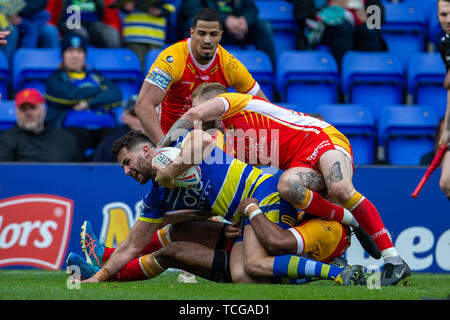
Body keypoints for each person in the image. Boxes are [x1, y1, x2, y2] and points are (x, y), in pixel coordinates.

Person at [157, 82, 411, 286]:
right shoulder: (232, 146)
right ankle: (351, 222)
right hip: (298, 163)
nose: (198, 120)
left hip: (321, 137)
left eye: (204, 109)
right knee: (287, 186)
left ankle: (394, 260)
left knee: (340, 189)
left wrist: (162, 149)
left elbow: (192, 114)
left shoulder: (235, 102)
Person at [78, 129, 362, 285]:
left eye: (127, 163)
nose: (127, 172)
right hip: (244, 215)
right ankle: (103, 267)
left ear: (146, 152)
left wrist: (171, 169)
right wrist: (99, 280)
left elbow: (204, 138)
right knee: (238, 274)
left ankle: (332, 270)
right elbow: (131, 245)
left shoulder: (178, 149)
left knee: (248, 269)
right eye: (122, 168)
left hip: (267, 195)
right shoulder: (157, 196)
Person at [135, 7, 269, 146]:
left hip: (208, 141)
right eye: (201, 33)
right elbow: (143, 106)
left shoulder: (230, 65)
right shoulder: (172, 59)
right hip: (167, 136)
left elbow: (264, 107)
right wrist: (164, 149)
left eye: (213, 34)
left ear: (221, 35)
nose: (207, 40)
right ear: (191, 33)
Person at [44, 32, 123, 158]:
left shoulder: (97, 76)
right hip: (73, 128)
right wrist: (98, 92)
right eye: (70, 51)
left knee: (118, 144)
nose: (75, 56)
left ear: (84, 56)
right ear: (63, 55)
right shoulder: (55, 79)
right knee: (73, 143)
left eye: (79, 51)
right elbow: (69, 96)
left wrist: (88, 103)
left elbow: (116, 95)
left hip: (105, 127)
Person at [177, 0, 276, 69]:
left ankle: (272, 84)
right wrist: (225, 19)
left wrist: (244, 20)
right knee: (194, 25)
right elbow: (191, 10)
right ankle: (192, 73)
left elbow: (252, 9)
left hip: (238, 32)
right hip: (210, 31)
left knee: (263, 26)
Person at [291, 0, 386, 68]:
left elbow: (379, 14)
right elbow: (301, 13)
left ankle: (371, 84)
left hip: (360, 30)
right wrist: (328, 10)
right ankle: (341, 88)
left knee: (369, 32)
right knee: (343, 29)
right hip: (326, 30)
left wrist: (368, 16)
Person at [0, 88, 83, 162]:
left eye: (33, 108)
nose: (28, 113)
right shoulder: (6, 140)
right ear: (17, 113)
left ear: (44, 111)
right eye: (23, 109)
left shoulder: (65, 138)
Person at [109, 0, 176, 70]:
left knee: (154, 66)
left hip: (154, 38)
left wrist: (160, 11)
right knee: (135, 65)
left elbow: (171, 8)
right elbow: (119, 6)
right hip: (134, 37)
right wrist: (126, 7)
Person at [92, 94, 144, 162]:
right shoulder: (110, 143)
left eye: (147, 113)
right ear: (123, 118)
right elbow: (97, 170)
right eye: (135, 114)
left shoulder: (160, 140)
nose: (142, 118)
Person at [436, 0, 450, 199]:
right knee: (446, 182)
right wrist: (446, 128)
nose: (448, 20)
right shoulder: (445, 43)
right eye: (443, 14)